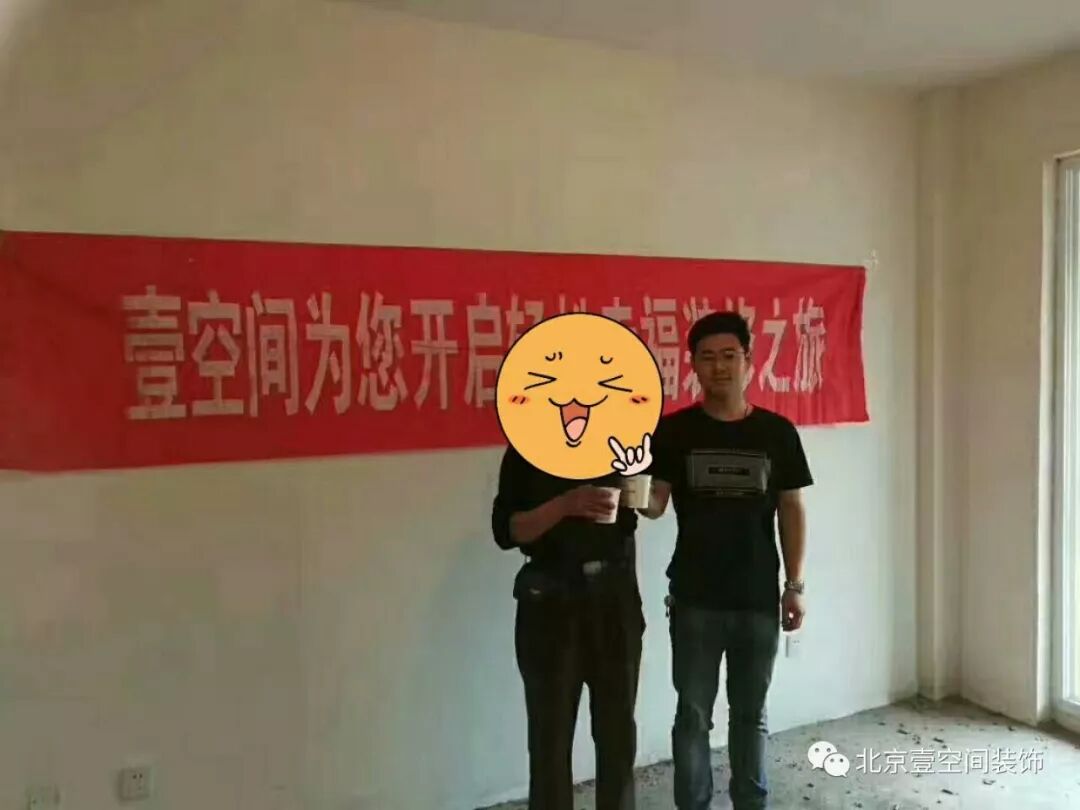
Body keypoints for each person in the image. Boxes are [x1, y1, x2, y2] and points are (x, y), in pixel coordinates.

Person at [639, 311, 813, 810]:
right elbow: (655, 504)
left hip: (757, 598)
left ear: (748, 362)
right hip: (695, 599)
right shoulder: (674, 432)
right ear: (693, 365)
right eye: (708, 357)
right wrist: (626, 477)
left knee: (750, 715)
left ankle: (750, 803)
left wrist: (795, 585)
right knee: (692, 716)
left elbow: (792, 508)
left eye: (729, 356)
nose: (719, 367)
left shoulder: (777, 433)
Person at [491, 445, 646, 810]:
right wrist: (566, 505)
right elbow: (507, 530)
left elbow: (649, 506)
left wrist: (637, 482)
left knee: (618, 736)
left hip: (614, 599)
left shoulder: (616, 441)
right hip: (549, 602)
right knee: (550, 738)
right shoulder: (528, 448)